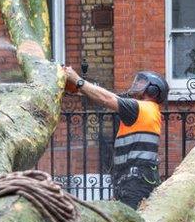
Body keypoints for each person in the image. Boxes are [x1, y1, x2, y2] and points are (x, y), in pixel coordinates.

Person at [63, 67, 168, 208]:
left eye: (142, 83)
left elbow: (107, 98)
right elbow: (106, 96)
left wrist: (78, 81)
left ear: (154, 91)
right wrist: (79, 89)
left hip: (136, 183)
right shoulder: (143, 109)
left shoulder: (142, 108)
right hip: (131, 181)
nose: (136, 85)